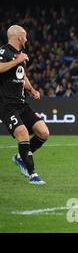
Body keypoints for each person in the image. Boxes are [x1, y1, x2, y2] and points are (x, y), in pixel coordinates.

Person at [0, 25, 50, 185]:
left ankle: (20, 157)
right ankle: (33, 174)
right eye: (25, 36)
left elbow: (22, 77)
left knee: (43, 132)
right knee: (22, 133)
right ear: (19, 37)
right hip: (7, 104)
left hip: (22, 103)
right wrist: (17, 61)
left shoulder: (20, 56)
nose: (27, 39)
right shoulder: (4, 52)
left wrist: (32, 89)